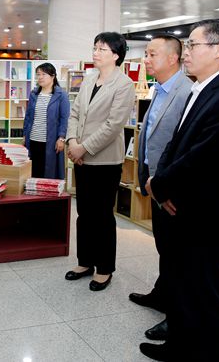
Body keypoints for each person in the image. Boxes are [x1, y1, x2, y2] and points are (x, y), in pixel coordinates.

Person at [142, 20, 219, 361]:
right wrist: (159, 185)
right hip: (182, 208)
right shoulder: (200, 88)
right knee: (183, 288)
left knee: (204, 298)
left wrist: (160, 185)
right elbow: (176, 145)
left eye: (193, 45)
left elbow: (202, 156)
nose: (186, 52)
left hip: (204, 216)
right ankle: (178, 346)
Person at [128, 36, 192, 342]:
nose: (146, 59)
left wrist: (167, 188)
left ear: (173, 58)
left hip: (170, 188)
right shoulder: (160, 88)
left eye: (152, 54)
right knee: (164, 247)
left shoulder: (186, 92)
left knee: (176, 254)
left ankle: (175, 314)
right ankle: (162, 294)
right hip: (155, 184)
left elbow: (183, 148)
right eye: (146, 53)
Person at [64, 32, 136, 291]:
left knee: (102, 215)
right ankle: (85, 262)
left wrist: (83, 148)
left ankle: (104, 268)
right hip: (81, 158)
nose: (95, 52)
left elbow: (113, 125)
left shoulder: (124, 84)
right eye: (95, 47)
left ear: (116, 55)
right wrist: (72, 141)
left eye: (102, 49)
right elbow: (74, 114)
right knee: (84, 213)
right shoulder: (89, 79)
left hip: (105, 161)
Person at [22, 62, 70, 179]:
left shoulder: (61, 95)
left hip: (51, 141)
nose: (40, 77)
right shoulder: (34, 94)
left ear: (53, 76)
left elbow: (64, 118)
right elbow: (28, 116)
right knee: (33, 171)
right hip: (33, 139)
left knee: (48, 172)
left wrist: (61, 138)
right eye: (38, 74)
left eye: (43, 74)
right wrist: (25, 135)